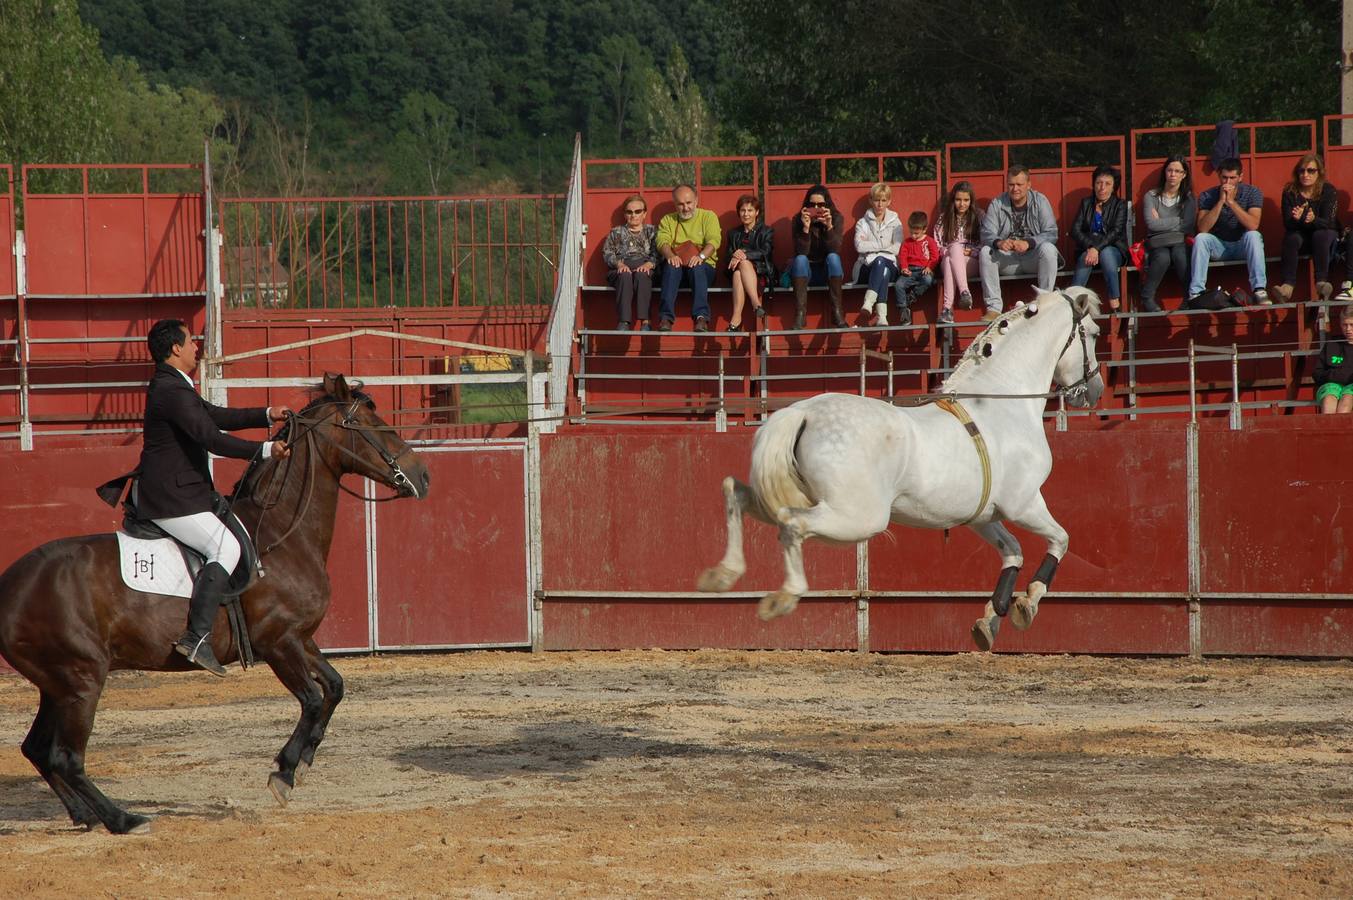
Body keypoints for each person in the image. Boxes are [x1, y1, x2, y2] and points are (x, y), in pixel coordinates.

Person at [137, 319, 290, 675]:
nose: (196, 346)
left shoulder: (174, 385)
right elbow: (212, 438)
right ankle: (197, 637)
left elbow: (215, 415)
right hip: (171, 498)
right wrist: (265, 450)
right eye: (191, 341)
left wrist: (266, 414)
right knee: (226, 548)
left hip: (180, 493)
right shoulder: (171, 390)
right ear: (175, 348)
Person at [978, 164, 1062, 322]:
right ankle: (994, 309)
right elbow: (986, 233)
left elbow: (1052, 233)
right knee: (986, 252)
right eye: (1011, 184)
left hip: (1032, 257)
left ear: (1029, 185)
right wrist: (998, 242)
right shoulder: (997, 203)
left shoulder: (1040, 201)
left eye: (1019, 184)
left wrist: (1029, 243)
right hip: (1008, 259)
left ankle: (1044, 303)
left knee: (1049, 249)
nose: (1015, 188)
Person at [1190, 157, 1269, 305]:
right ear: (1219, 176)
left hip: (1242, 245)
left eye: (1232, 178)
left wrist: (1231, 202)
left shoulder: (1252, 192)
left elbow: (1253, 224)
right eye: (1224, 178)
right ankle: (1196, 292)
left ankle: (1259, 289)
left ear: (1240, 177)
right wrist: (1221, 201)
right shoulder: (1208, 195)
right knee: (1201, 238)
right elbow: (1203, 228)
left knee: (1253, 235)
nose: (1228, 183)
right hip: (1219, 247)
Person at [1274, 154, 1340, 304]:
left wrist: (1313, 220)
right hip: (1301, 235)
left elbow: (1329, 221)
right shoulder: (1290, 191)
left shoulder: (1328, 190)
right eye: (1301, 171)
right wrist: (1298, 220)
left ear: (1319, 172)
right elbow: (1288, 224)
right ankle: (1287, 286)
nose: (1305, 175)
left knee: (1320, 235)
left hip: (1325, 235)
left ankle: (1321, 282)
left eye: (1311, 171)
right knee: (1291, 238)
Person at [655, 184, 721, 331]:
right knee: (671, 266)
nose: (685, 208)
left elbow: (714, 241)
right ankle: (666, 318)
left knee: (697, 267)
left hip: (704, 269)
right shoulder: (668, 220)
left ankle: (701, 317)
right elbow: (662, 241)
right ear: (675, 204)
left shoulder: (708, 216)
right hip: (678, 269)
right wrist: (670, 255)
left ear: (696, 200)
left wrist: (701, 256)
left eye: (689, 203)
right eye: (680, 204)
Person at [1138, 154, 1196, 313]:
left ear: (1184, 175)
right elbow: (1151, 224)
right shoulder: (1151, 196)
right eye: (1170, 170)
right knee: (1162, 258)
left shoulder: (1189, 198)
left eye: (1178, 171)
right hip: (1158, 242)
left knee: (1180, 255)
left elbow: (1188, 225)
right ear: (1165, 172)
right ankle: (1147, 297)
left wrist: (1162, 222)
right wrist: (1178, 220)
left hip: (1179, 241)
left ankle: (1188, 297)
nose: (1173, 174)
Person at [1070, 165, 1129, 312]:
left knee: (1107, 253)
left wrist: (1096, 248)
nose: (1102, 187)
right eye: (1098, 183)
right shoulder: (1086, 203)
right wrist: (1091, 247)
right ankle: (1072, 303)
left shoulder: (1120, 205)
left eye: (1107, 184)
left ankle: (1114, 300)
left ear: (1114, 187)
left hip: (1114, 250)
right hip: (1089, 250)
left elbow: (1116, 232)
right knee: (1085, 257)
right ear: (1094, 184)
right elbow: (1075, 230)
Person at [789, 183, 845, 329]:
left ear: (827, 204)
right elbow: (801, 251)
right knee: (800, 259)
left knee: (833, 257)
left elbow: (835, 249)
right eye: (812, 204)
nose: (817, 208)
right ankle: (800, 315)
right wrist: (805, 229)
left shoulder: (836, 217)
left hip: (827, 271)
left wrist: (829, 227)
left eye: (821, 204)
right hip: (805, 273)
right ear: (806, 205)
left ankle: (837, 312)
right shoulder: (798, 219)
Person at [601, 194, 658, 331]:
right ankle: (624, 321)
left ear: (644, 213)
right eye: (629, 212)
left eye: (638, 211)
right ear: (625, 214)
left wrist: (649, 264)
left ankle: (645, 322)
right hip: (621, 267)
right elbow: (607, 253)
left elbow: (659, 253)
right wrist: (619, 264)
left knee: (642, 274)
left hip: (645, 266)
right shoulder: (616, 232)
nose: (634, 215)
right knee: (624, 275)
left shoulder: (652, 231)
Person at [724, 193, 776, 332]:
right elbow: (728, 257)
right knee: (738, 271)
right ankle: (756, 304)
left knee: (742, 266)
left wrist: (743, 255)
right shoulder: (733, 233)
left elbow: (766, 252)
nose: (746, 214)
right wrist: (735, 255)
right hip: (738, 274)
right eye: (743, 210)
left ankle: (736, 319)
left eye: (750, 210)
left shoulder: (766, 231)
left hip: (761, 274)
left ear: (757, 212)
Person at [934, 181, 983, 325]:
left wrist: (970, 251)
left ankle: (947, 309)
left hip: (971, 261)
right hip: (948, 257)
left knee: (952, 258)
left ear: (971, 200)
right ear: (953, 200)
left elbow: (985, 242)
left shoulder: (979, 217)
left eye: (966, 200)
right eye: (958, 200)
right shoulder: (944, 219)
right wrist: (952, 250)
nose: (962, 204)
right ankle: (965, 293)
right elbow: (937, 245)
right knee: (952, 250)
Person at [853, 182, 902, 321]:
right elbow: (859, 246)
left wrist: (873, 247)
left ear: (889, 201)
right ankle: (882, 316)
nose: (880, 204)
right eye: (876, 200)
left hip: (891, 265)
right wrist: (884, 245)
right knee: (882, 267)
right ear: (870, 201)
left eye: (884, 200)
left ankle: (868, 302)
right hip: (866, 266)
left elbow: (897, 248)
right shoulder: (862, 222)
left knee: (881, 262)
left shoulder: (896, 222)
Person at [886, 211, 940, 327]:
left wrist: (929, 267)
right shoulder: (906, 243)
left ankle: (912, 296)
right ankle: (903, 309)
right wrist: (904, 268)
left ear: (924, 229)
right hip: (910, 270)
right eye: (911, 232)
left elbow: (935, 256)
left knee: (927, 280)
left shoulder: (929, 241)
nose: (913, 236)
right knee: (899, 285)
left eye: (916, 233)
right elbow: (903, 256)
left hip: (923, 270)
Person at [1313, 303, 1353, 414]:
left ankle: (1342, 431)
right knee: (1328, 402)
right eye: (1345, 325)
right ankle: (1327, 431)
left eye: (1352, 325)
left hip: (1351, 388)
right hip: (1331, 385)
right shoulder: (1332, 344)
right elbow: (1317, 373)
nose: (1348, 329)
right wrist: (1334, 375)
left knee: (1345, 403)